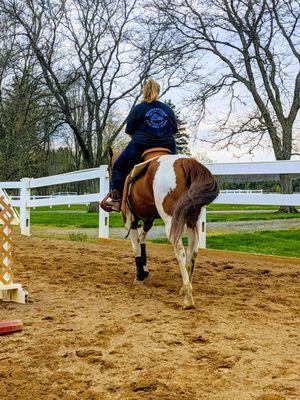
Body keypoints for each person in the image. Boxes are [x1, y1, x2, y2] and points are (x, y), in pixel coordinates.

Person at [105, 79, 178, 211]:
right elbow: (174, 130)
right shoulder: (168, 110)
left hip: (142, 145)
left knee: (118, 166)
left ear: (144, 91)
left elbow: (130, 131)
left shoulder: (138, 109)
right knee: (178, 169)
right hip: (168, 146)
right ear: (158, 91)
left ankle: (116, 200)